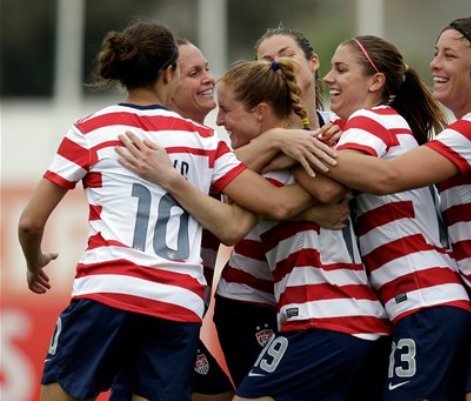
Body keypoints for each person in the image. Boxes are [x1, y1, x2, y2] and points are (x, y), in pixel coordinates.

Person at [17, 19, 329, 401]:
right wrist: (315, 196)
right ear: (169, 74)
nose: (207, 80)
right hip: (176, 303)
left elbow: (31, 222)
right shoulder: (203, 143)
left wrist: (33, 263)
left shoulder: (91, 129)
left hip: (107, 292)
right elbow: (260, 209)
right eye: (193, 71)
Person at [308, 16, 471, 401]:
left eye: (449, 56)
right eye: (435, 53)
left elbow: (387, 177)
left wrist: (300, 149)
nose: (434, 64)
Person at [116, 57, 390, 401]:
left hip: (325, 320)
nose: (220, 120)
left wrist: (173, 179)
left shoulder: (283, 163)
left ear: (260, 111)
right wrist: (277, 144)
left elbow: (253, 212)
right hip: (346, 321)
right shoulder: (308, 149)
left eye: (227, 110)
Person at [290, 34, 471, 401]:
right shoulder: (382, 121)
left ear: (376, 82)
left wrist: (284, 145)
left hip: (424, 301)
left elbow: (329, 188)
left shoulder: (369, 120)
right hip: (430, 303)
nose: (328, 78)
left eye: (341, 70)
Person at [212, 25, 344, 389]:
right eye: (266, 61)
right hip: (250, 297)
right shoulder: (251, 133)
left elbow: (338, 187)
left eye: (285, 55)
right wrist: (277, 141)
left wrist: (291, 150)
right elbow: (223, 179)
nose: (276, 66)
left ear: (314, 63)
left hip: (313, 303)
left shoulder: (339, 127)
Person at [108, 38, 235, 401]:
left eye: (208, 68)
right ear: (167, 82)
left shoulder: (208, 145)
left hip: (177, 309)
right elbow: (234, 222)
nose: (210, 79)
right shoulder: (160, 148)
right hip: (153, 306)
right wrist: (278, 141)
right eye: (194, 73)